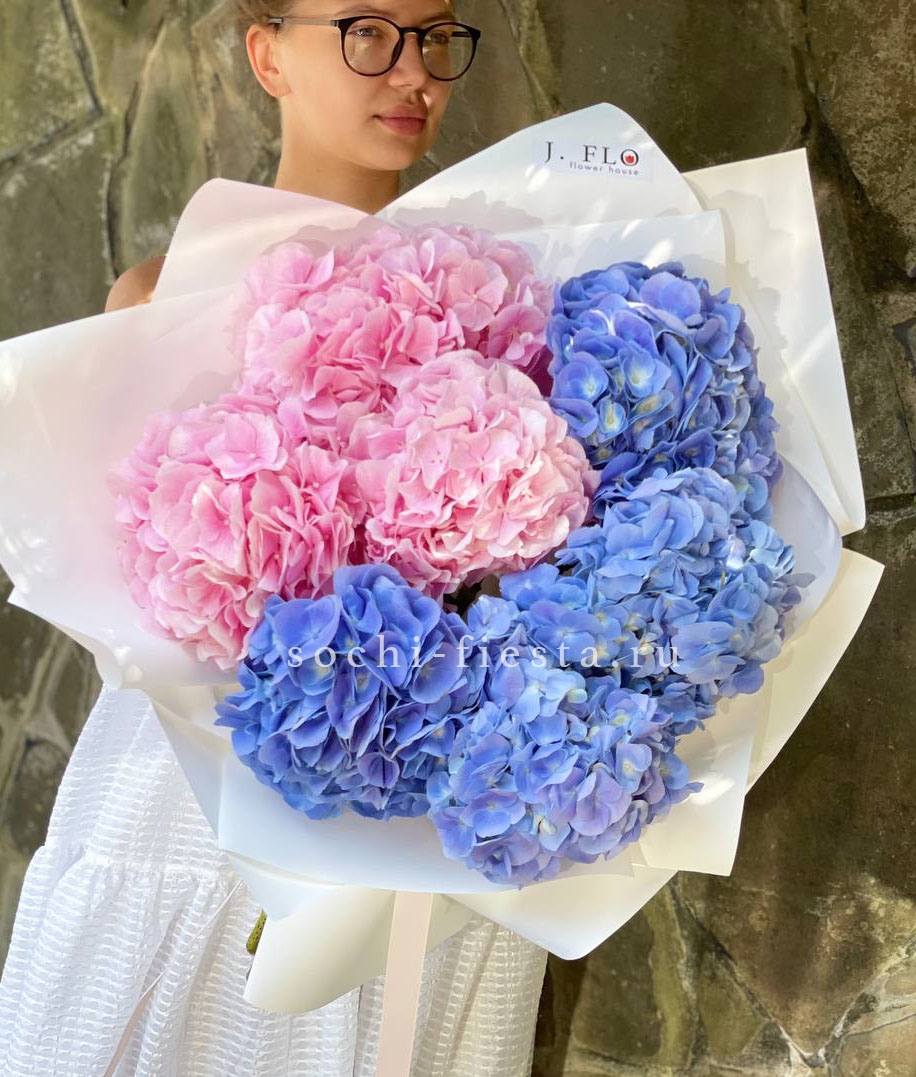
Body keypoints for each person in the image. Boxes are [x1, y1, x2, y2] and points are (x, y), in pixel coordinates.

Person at [0, 3, 549, 1074]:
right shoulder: (160, 293)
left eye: (436, 37)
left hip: (412, 795)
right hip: (180, 786)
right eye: (367, 33)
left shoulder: (501, 291)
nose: (414, 74)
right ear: (268, 55)